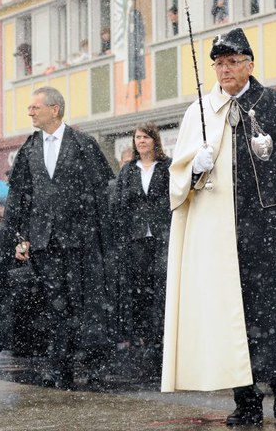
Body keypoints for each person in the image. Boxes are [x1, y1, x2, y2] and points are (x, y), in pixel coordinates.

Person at [161, 28, 276, 426]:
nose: (224, 70)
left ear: (250, 64)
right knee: (233, 320)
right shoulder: (198, 112)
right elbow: (178, 181)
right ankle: (247, 400)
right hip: (223, 238)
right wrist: (193, 168)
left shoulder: (275, 106)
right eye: (218, 64)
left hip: (272, 235)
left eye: (233, 62)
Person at [0, 86, 115, 388]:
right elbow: (21, 200)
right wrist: (20, 237)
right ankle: (59, 368)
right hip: (44, 243)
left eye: (35, 107)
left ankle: (95, 368)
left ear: (54, 109)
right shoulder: (29, 149)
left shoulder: (83, 144)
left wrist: (98, 237)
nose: (30, 112)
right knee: (52, 306)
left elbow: (101, 193)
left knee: (87, 306)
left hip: (80, 243)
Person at [111, 123, 171, 381]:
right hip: (136, 241)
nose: (141, 141)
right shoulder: (128, 172)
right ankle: (143, 344)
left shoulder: (167, 168)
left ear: (154, 140)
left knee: (162, 291)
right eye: (137, 137)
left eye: (146, 137)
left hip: (162, 237)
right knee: (140, 292)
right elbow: (118, 205)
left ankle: (162, 344)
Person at [127, 0, 146, 98]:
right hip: (131, 48)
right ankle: (132, 91)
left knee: (138, 70)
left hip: (137, 47)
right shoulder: (128, 15)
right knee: (132, 70)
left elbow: (141, 30)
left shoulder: (136, 14)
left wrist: (139, 43)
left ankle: (139, 90)